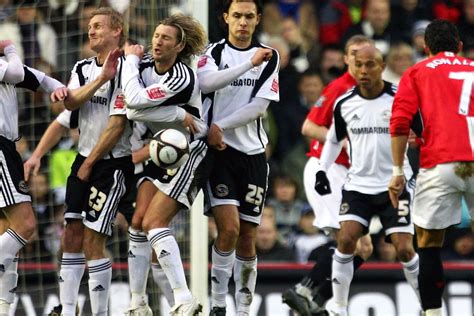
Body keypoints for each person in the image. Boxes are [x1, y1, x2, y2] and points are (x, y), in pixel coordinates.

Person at [320, 45, 420, 316]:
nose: (364, 71)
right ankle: (338, 306)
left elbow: (424, 133)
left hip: (394, 186)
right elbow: (333, 139)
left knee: (403, 248)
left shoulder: (402, 98)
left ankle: (426, 304)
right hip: (358, 186)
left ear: (382, 65)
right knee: (346, 239)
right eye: (359, 65)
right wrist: (322, 169)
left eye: (370, 65)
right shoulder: (345, 102)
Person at [120, 13, 208, 316]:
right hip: (157, 152)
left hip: (189, 152)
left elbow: (135, 105)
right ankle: (138, 303)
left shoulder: (182, 77)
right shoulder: (142, 65)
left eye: (166, 38)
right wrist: (175, 116)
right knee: (137, 224)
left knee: (154, 222)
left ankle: (185, 299)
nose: (157, 41)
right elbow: (130, 108)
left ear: (179, 45)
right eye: (156, 36)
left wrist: (129, 64)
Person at [48, 7, 134, 316]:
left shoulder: (129, 69)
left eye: (98, 26)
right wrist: (101, 79)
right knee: (71, 231)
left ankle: (100, 313)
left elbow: (117, 125)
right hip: (82, 158)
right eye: (89, 26)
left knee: (93, 238)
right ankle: (68, 309)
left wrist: (88, 164)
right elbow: (70, 103)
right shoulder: (83, 67)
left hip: (112, 164)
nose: (91, 30)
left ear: (117, 31)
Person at [196, 1, 279, 315]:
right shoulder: (212, 53)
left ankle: (243, 308)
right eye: (237, 16)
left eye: (248, 17)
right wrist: (247, 64)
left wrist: (220, 125)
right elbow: (206, 83)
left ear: (257, 20)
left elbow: (259, 107)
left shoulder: (270, 55)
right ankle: (218, 303)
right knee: (227, 229)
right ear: (225, 18)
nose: (242, 22)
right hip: (219, 154)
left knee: (247, 236)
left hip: (253, 155)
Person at [282, 35, 375, 316]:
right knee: (349, 241)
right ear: (347, 60)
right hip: (328, 170)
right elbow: (309, 127)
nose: (361, 63)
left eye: (366, 57)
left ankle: (316, 299)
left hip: (349, 174)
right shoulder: (339, 88)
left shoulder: (371, 91)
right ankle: (306, 291)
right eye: (354, 55)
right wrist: (343, 141)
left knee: (364, 247)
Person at [389, 19, 474, 316]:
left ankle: (433, 314)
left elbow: (399, 122)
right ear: (460, 47)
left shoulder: (417, 72)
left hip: (441, 162)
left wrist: (398, 171)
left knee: (428, 244)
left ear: (426, 49)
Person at [0, 39, 65, 315]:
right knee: (26, 226)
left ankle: (3, 307)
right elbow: (17, 73)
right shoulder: (6, 64)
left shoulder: (4, 66)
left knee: (7, 231)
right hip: (0, 149)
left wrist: (62, 90)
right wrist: (12, 48)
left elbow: (39, 78)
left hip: (8, 149)